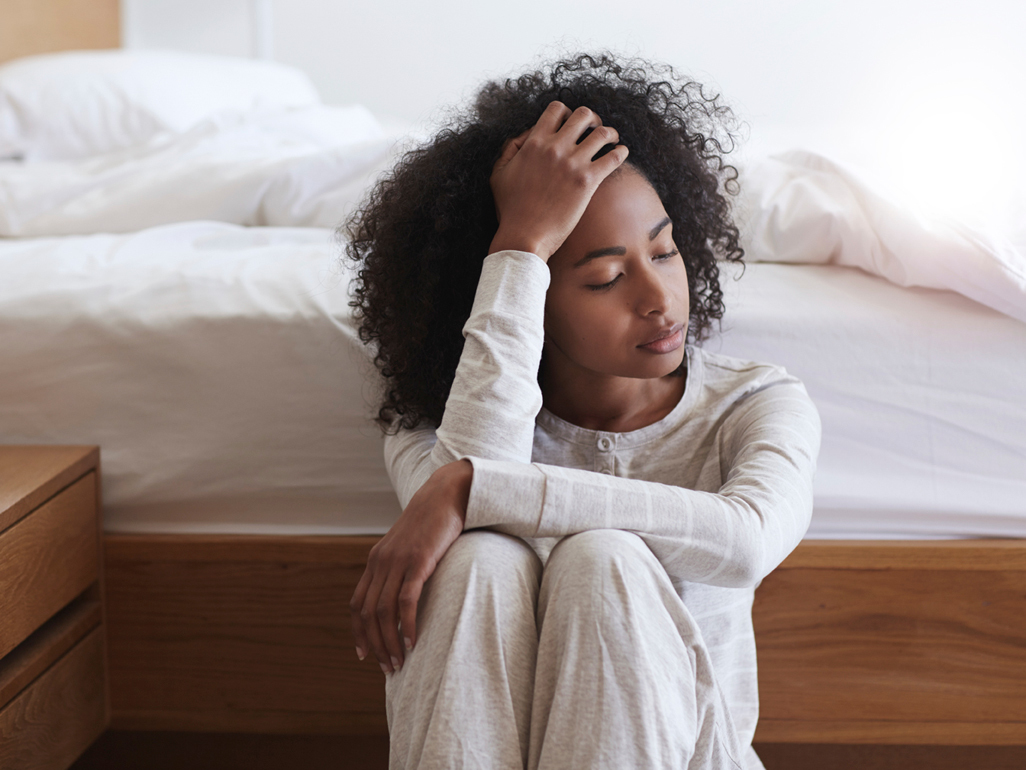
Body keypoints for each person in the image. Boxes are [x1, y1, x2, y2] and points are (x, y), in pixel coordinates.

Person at [345, 52, 821, 770]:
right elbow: (476, 474)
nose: (659, 299)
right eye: (604, 278)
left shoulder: (754, 404)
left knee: (604, 557)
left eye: (664, 252)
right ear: (529, 294)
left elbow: (748, 541)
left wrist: (475, 487)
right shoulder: (439, 430)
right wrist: (520, 244)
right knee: (474, 559)